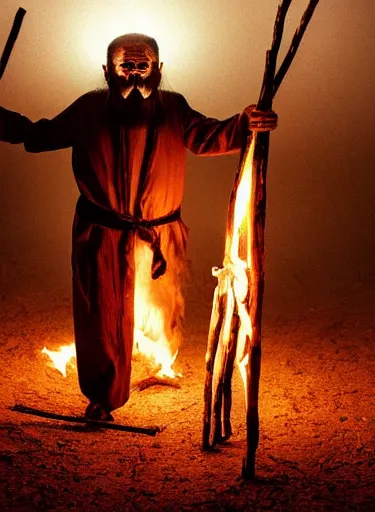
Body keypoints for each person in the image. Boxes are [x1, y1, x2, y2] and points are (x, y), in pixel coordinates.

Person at [0, 33, 277, 421]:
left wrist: (246, 123)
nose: (134, 75)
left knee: (157, 311)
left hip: (158, 234)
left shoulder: (174, 109)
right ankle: (102, 396)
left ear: (158, 69)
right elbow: (39, 134)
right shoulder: (89, 109)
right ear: (107, 71)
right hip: (101, 234)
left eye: (142, 66)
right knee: (101, 312)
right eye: (125, 66)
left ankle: (151, 363)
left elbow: (209, 135)